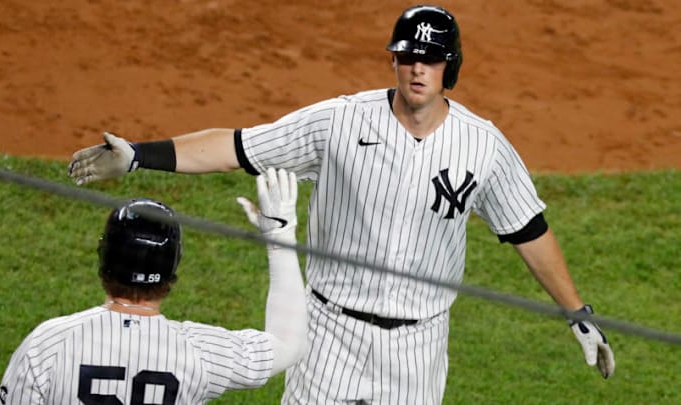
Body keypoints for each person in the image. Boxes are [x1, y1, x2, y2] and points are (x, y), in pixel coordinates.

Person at [68, 4, 615, 404]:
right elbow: (236, 146)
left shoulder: (484, 145)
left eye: (429, 58)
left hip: (418, 349)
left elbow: (528, 228)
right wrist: (139, 155)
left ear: (450, 66)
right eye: (407, 57)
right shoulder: (339, 122)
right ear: (395, 62)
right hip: (330, 335)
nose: (417, 69)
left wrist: (577, 313)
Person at [0, 168, 306, 404]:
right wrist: (281, 237)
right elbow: (286, 345)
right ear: (172, 270)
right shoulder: (199, 353)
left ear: (104, 260)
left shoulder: (48, 343)